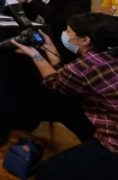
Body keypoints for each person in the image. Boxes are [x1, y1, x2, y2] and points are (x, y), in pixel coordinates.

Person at [11, 13, 118, 180]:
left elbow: (56, 83)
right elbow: (67, 75)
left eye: (69, 32)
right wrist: (51, 48)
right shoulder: (105, 56)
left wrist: (35, 55)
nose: (65, 35)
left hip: (113, 142)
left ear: (85, 40)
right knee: (68, 109)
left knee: (47, 173)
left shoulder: (85, 66)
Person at [16, 0, 92, 61]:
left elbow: (62, 22)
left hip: (59, 44)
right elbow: (26, 17)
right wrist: (19, 3)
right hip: (33, 36)